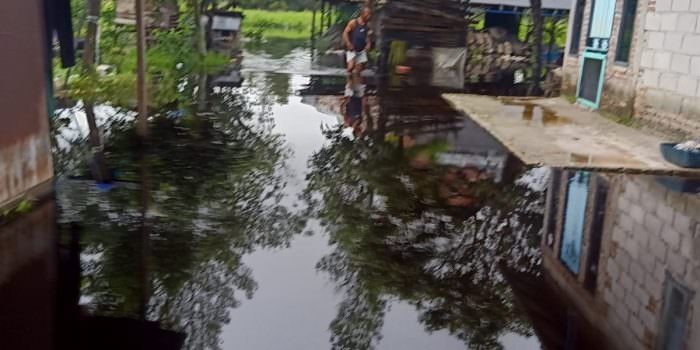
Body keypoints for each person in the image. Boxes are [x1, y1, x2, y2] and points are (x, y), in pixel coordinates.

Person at [343, 7, 372, 75]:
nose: (369, 16)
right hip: (352, 48)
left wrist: (368, 44)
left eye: (370, 14)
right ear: (362, 14)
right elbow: (345, 33)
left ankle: (357, 83)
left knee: (358, 70)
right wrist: (348, 43)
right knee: (351, 67)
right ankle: (349, 82)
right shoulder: (353, 22)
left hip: (361, 50)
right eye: (367, 14)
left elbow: (368, 37)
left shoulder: (368, 25)